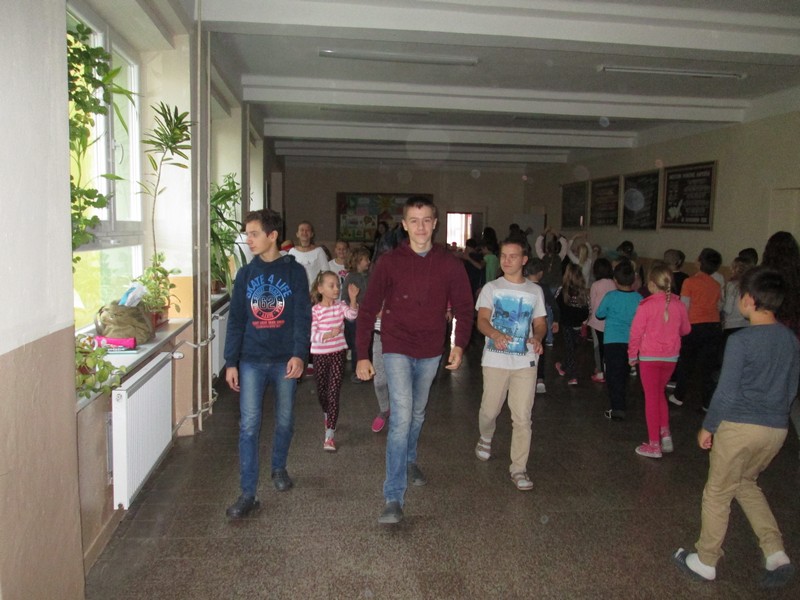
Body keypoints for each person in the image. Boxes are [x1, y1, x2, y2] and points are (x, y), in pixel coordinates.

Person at [673, 267, 800, 588]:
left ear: (749, 300)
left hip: (740, 427)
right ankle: (775, 552)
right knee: (745, 483)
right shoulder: (790, 339)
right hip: (775, 428)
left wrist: (709, 426)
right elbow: (791, 387)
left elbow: (726, 391)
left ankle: (706, 560)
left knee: (717, 492)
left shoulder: (742, 340)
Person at [354, 195, 474, 525]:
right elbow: (367, 310)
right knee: (402, 416)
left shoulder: (450, 264)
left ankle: (409, 458)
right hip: (396, 345)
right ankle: (393, 496)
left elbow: (464, 308)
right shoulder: (389, 263)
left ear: (435, 224)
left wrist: (459, 345)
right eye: (414, 221)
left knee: (417, 413)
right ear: (404, 225)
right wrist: (362, 355)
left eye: (426, 220)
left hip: (431, 349)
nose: (420, 227)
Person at [223, 209, 311, 519]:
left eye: (254, 234)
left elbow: (302, 317)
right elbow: (236, 320)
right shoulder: (245, 274)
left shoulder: (294, 272)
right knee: (248, 426)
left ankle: (278, 467)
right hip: (251, 359)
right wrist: (230, 361)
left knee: (284, 420)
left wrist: (299, 354)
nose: (248, 240)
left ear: (272, 236)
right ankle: (248, 493)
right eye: (247, 234)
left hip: (285, 359)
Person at [474, 238, 547, 490]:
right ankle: (486, 436)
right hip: (495, 359)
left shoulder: (534, 291)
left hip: (525, 361)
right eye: (503, 255)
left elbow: (540, 323)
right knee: (489, 411)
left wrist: (538, 338)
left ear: (524, 260)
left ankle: (518, 468)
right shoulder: (491, 288)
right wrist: (494, 334)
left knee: (522, 417)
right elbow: (482, 320)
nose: (506, 260)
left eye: (513, 256)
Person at [627, 263, 690, 458]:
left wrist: (632, 355)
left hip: (649, 357)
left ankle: (654, 444)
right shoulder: (679, 305)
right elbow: (686, 330)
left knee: (651, 399)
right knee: (659, 393)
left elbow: (635, 333)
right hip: (670, 358)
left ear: (652, 284)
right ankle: (666, 434)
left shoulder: (646, 306)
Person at [669, 248, 723, 412]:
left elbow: (684, 306)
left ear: (699, 262)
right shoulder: (716, 284)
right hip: (713, 326)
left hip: (694, 326)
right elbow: (719, 306)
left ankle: (679, 396)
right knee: (708, 368)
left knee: (686, 363)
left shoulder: (690, 282)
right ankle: (707, 403)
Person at [310, 271, 359, 452]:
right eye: (331, 285)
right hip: (320, 355)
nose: (336, 288)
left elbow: (352, 316)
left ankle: (329, 435)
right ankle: (327, 413)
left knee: (333, 393)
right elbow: (312, 335)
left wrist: (353, 299)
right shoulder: (315, 310)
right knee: (322, 392)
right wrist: (328, 334)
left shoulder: (341, 306)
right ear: (320, 288)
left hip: (338, 353)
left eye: (338, 285)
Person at [595, 260, 642, 420]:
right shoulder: (638, 298)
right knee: (624, 372)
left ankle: (617, 407)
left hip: (612, 340)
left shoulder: (611, 296)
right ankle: (621, 400)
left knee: (613, 374)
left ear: (615, 280)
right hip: (632, 341)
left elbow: (599, 314)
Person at [526, 257, 559, 394]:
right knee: (540, 351)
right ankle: (540, 379)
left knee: (525, 351)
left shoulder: (523, 285)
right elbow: (554, 306)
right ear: (540, 273)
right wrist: (555, 320)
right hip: (540, 324)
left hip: (525, 323)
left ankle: (527, 379)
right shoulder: (543, 288)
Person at [554, 264, 589, 386]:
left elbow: (556, 305)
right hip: (579, 323)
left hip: (566, 323)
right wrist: (585, 322)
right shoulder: (584, 292)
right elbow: (587, 308)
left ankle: (573, 375)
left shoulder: (562, 290)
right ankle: (564, 366)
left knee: (570, 348)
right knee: (573, 347)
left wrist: (556, 320)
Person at [343, 246, 371, 381]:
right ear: (358, 260)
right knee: (356, 345)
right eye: (366, 259)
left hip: (368, 316)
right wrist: (353, 306)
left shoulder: (369, 276)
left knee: (367, 342)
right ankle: (357, 371)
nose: (369, 262)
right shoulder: (351, 277)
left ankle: (368, 368)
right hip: (355, 317)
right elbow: (345, 298)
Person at [587, 258, 615, 383]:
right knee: (608, 346)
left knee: (597, 347)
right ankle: (606, 367)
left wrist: (587, 318)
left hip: (597, 321)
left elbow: (592, 304)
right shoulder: (614, 283)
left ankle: (600, 372)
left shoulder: (595, 285)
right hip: (610, 321)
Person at [288, 221, 329, 291]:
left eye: (307, 230)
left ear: (312, 234)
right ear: (297, 234)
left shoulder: (319, 251)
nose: (304, 232)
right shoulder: (292, 252)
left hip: (314, 292)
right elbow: (289, 274)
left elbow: (326, 273)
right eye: (302, 230)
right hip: (297, 292)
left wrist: (318, 290)